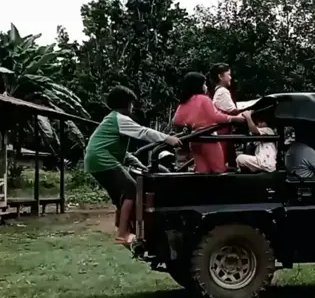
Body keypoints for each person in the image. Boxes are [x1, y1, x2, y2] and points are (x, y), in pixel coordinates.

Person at [85, 86, 181, 245]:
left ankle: (123, 228)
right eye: (131, 103)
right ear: (127, 104)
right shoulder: (119, 118)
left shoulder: (111, 119)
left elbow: (123, 153)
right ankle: (122, 234)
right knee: (131, 189)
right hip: (102, 159)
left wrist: (139, 164)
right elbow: (143, 132)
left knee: (121, 196)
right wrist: (167, 138)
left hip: (95, 160)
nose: (133, 107)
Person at [173, 72, 246, 173]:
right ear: (198, 85)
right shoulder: (204, 99)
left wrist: (190, 124)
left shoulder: (184, 101)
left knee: (202, 171)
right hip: (209, 139)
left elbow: (176, 120)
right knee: (219, 169)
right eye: (204, 84)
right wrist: (234, 119)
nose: (206, 86)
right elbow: (216, 116)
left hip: (194, 140)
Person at [208, 63, 239, 166]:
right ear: (220, 76)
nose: (230, 78)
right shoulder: (222, 91)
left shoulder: (218, 91)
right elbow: (233, 111)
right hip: (223, 131)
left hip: (223, 131)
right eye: (228, 74)